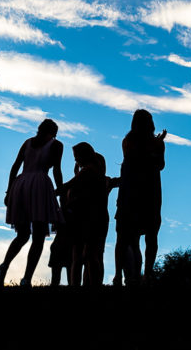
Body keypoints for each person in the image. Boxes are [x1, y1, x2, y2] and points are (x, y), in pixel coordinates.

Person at [0, 118, 64, 286]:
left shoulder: (27, 142)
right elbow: (56, 170)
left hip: (21, 184)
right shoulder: (56, 145)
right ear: (54, 132)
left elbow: (15, 166)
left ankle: (4, 266)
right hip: (39, 185)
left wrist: (9, 190)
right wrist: (61, 192)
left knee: (23, 234)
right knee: (38, 236)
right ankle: (26, 278)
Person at [114, 109, 166, 285]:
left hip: (134, 191)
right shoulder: (152, 143)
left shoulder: (129, 141)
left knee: (127, 237)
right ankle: (144, 274)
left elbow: (155, 163)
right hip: (144, 191)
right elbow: (158, 164)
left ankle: (121, 275)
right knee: (146, 236)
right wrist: (153, 152)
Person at [61, 142, 110, 286]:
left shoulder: (89, 171)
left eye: (77, 157)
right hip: (93, 217)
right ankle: (91, 285)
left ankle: (81, 285)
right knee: (91, 255)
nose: (76, 160)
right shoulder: (97, 174)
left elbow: (69, 185)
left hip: (89, 218)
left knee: (85, 255)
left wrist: (51, 193)